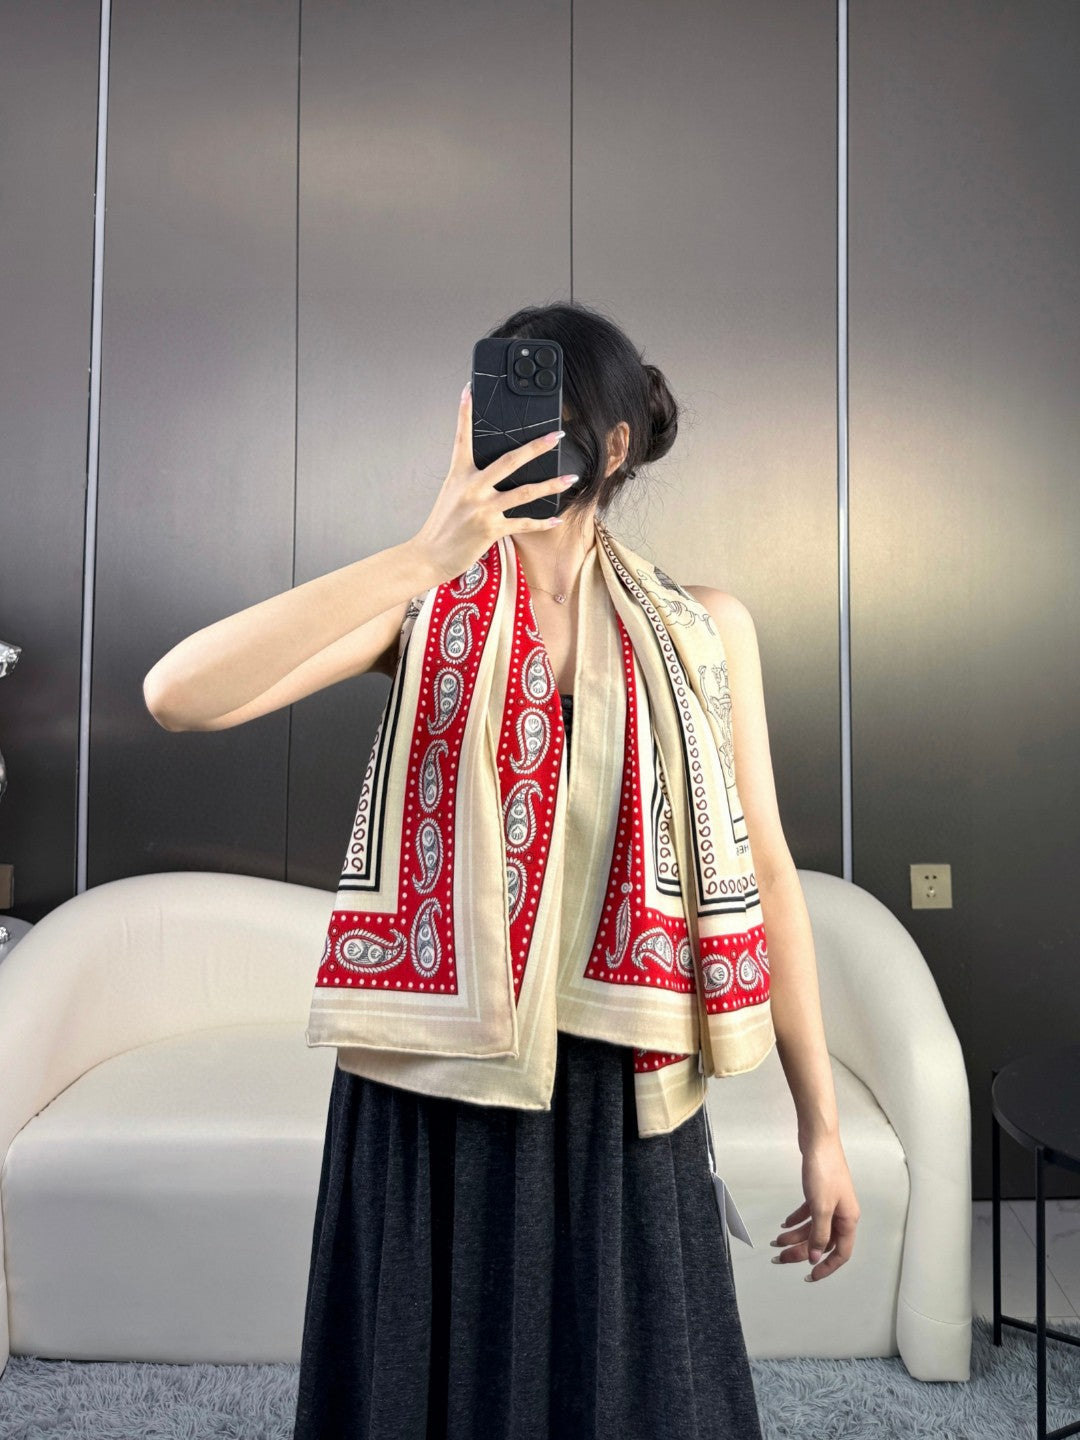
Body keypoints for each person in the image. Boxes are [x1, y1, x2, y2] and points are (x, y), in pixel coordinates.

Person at [144, 300, 860, 1439]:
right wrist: (421, 555)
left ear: (612, 446)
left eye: (551, 420)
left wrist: (822, 1130)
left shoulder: (706, 629)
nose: (518, 444)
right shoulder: (418, 608)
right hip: (436, 1079)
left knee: (627, 1400)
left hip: (623, 1086)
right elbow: (176, 696)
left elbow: (768, 873)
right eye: (498, 414)